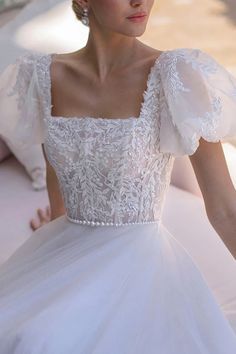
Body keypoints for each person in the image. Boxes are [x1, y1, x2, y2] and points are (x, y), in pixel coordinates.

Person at [1, 0, 236, 352]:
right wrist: (55, 234)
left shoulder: (178, 74)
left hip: (140, 265)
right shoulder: (41, 77)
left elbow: (225, 208)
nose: (140, 1)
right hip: (68, 251)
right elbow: (60, 183)